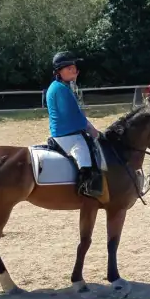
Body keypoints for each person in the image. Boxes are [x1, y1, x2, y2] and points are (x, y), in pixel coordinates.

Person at [46, 51, 104, 199]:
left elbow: (78, 115)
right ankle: (85, 186)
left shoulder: (62, 86)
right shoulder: (60, 89)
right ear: (59, 71)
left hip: (67, 130)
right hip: (67, 134)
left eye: (74, 67)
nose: (74, 70)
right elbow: (73, 116)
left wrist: (91, 128)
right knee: (85, 151)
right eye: (69, 68)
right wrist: (92, 131)